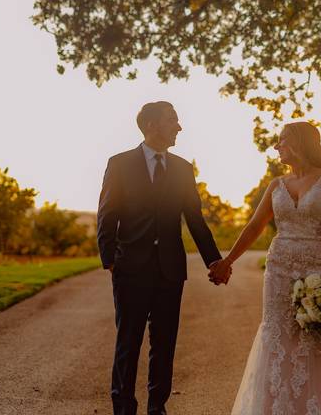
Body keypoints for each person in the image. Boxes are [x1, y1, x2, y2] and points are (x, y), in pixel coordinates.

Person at [209, 121, 321, 414]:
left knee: (314, 338)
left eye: (282, 140)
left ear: (300, 142)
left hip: (316, 268)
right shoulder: (276, 185)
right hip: (278, 269)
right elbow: (254, 227)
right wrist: (227, 261)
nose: (276, 146)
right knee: (277, 336)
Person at [97, 101, 228, 415]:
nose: (179, 127)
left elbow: (195, 219)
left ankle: (158, 407)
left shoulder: (183, 168)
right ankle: (124, 407)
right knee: (128, 344)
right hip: (129, 269)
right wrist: (111, 260)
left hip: (170, 270)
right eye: (173, 120)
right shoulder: (119, 163)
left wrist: (214, 260)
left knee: (165, 345)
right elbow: (107, 215)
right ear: (152, 125)